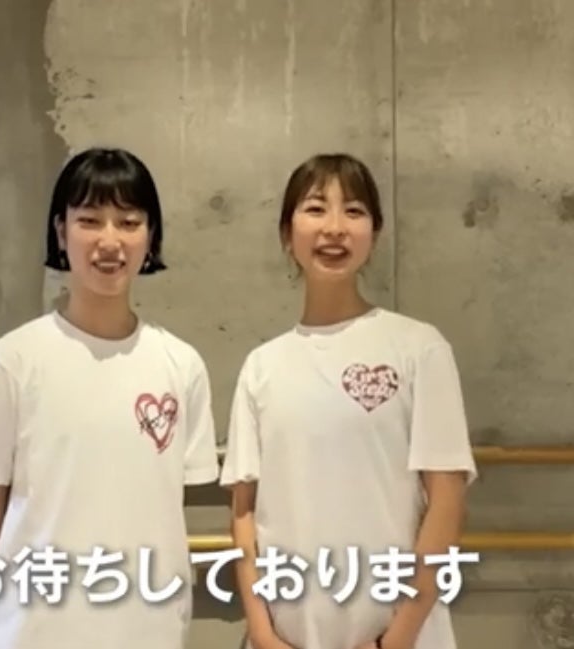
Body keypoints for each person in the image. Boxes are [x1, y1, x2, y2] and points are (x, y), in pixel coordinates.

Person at [0, 147, 220, 648]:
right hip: (36, 630)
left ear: (151, 236)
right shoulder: (9, 364)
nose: (110, 240)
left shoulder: (181, 364)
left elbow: (167, 503)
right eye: (90, 220)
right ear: (61, 232)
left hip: (149, 628)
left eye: (129, 222)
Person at [219, 153, 478, 649]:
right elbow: (244, 514)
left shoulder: (419, 348)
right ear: (286, 232)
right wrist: (263, 634)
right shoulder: (262, 366)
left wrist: (394, 639)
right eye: (316, 208)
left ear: (374, 234)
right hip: (288, 633)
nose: (334, 228)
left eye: (354, 211)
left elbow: (447, 502)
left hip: (399, 633)